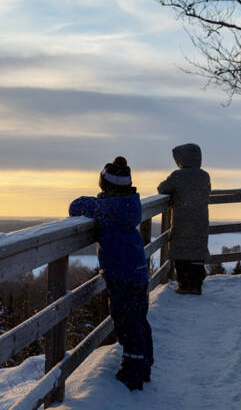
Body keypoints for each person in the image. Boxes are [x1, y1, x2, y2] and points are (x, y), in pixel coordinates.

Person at [69, 156, 153, 391]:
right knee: (139, 319)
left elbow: (75, 206)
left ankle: (133, 372)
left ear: (105, 185)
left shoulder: (106, 208)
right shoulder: (129, 205)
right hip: (137, 270)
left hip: (121, 274)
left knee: (126, 323)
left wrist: (98, 201)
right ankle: (145, 363)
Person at [157, 143, 211, 295]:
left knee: (182, 255)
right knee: (197, 254)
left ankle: (185, 285)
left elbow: (162, 188)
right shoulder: (204, 175)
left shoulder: (177, 176)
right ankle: (196, 285)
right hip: (200, 222)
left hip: (183, 223)